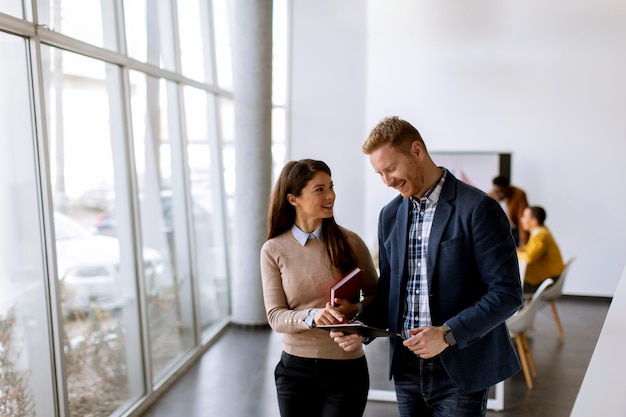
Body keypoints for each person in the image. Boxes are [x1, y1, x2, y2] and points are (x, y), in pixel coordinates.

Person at [331, 116, 523, 417]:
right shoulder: (390, 215)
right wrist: (361, 326)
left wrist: (446, 333)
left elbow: (507, 293)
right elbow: (390, 291)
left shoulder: (478, 208)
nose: (388, 181)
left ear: (417, 151)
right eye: (380, 174)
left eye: (391, 168)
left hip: (460, 367)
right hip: (406, 367)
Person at [260, 159, 378, 417]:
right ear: (293, 199)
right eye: (320, 189)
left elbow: (377, 295)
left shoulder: (350, 242)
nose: (330, 195)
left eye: (331, 187)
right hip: (294, 371)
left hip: (346, 369)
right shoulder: (273, 249)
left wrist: (355, 309)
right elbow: (275, 316)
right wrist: (312, 316)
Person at [516, 206, 565, 293]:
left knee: (511, 284)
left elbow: (529, 257)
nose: (521, 220)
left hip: (549, 280)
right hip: (549, 275)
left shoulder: (540, 235)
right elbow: (531, 249)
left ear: (534, 222)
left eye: (524, 217)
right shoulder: (541, 231)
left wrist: (513, 253)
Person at [488, 175, 529, 247]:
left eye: (501, 192)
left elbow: (522, 219)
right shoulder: (490, 195)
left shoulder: (519, 194)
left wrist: (523, 243)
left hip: (515, 230)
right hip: (499, 231)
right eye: (495, 192)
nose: (498, 195)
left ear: (508, 188)